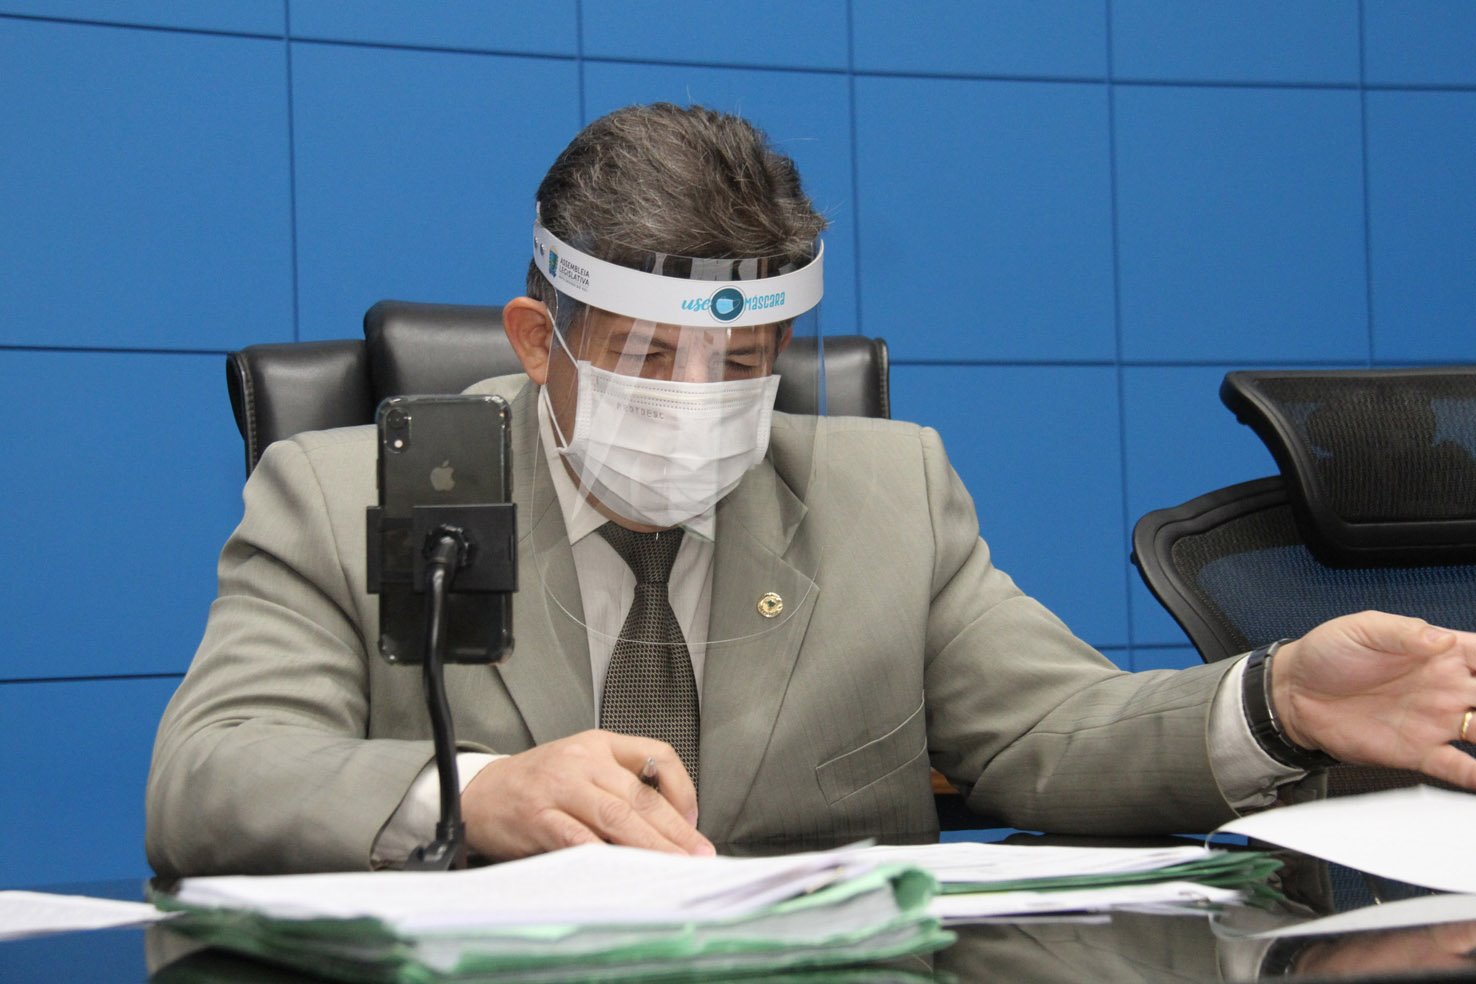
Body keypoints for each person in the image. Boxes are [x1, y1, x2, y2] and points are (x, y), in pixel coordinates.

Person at [145, 103, 1476, 878]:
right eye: (648, 355)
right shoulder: (353, 494)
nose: (700, 397)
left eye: (745, 359)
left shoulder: (886, 491)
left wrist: (1277, 701)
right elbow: (209, 776)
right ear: (540, 342)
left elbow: (1052, 731)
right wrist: (474, 794)